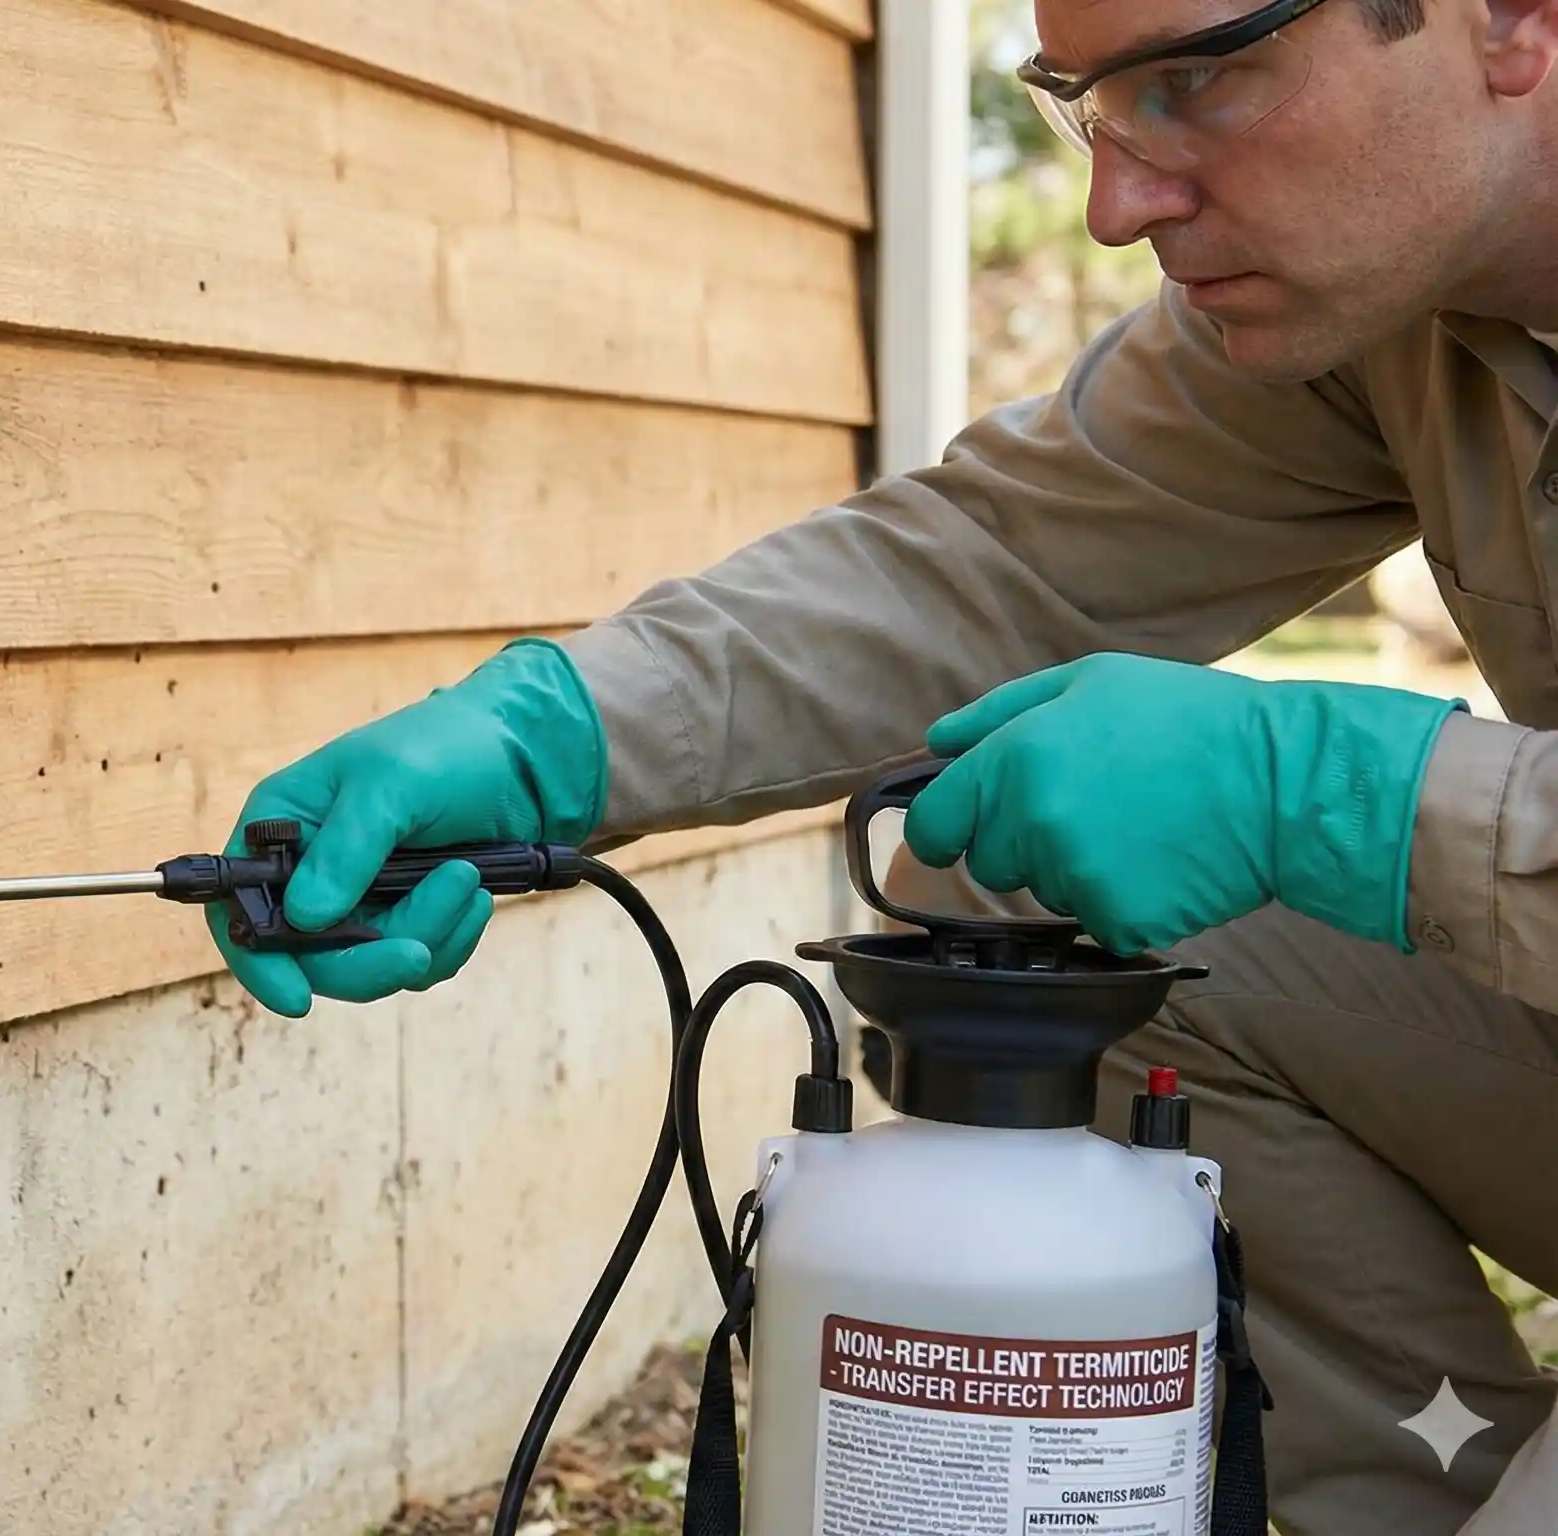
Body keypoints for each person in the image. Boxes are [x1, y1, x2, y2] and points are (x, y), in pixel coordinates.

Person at [206, 1, 1558, 1531]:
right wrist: (551, 736)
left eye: (1198, 81)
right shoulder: (1397, 312)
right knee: (1023, 900)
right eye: (1096, 104)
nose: (1120, 205)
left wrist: (1337, 795)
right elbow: (996, 562)